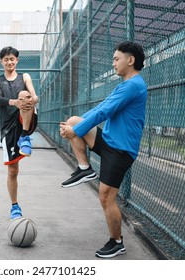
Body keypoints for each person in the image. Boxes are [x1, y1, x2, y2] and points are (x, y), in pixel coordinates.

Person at [60, 41, 147, 258]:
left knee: (106, 196)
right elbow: (99, 108)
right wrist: (75, 128)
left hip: (121, 150)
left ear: (131, 60)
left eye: (117, 58)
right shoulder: (124, 85)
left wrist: (76, 131)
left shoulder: (134, 85)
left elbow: (105, 112)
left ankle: (117, 242)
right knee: (73, 120)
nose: (113, 63)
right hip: (108, 140)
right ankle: (84, 167)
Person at [0, 46, 39, 220]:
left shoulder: (24, 76)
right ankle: (14, 206)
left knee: (25, 93)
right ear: (1, 61)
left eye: (12, 59)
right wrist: (15, 102)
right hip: (8, 126)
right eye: (6, 59)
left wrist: (33, 99)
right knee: (13, 171)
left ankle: (25, 136)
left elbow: (33, 95)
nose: (9, 62)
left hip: (24, 119)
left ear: (17, 60)